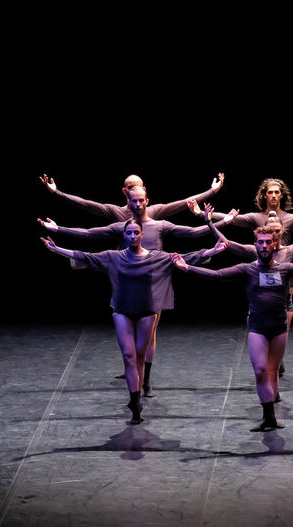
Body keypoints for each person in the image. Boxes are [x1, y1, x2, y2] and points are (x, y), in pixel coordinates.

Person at [38, 186, 237, 395]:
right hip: (127, 275)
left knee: (149, 334)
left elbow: (190, 225)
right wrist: (58, 228)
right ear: (127, 196)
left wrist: (221, 219)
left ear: (147, 199)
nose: (138, 204)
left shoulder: (160, 223)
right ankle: (134, 369)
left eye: (141, 200)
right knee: (130, 335)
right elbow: (89, 231)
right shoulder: (119, 222)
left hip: (156, 278)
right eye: (133, 200)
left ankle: (146, 379)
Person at [172, 226, 293, 432]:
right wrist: (187, 268)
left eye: (268, 242)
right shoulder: (247, 269)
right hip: (257, 329)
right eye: (260, 242)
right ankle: (267, 414)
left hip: (279, 328)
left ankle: (270, 418)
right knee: (261, 370)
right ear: (255, 245)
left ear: (274, 244)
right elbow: (217, 275)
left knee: (272, 371)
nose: (264, 245)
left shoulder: (285, 269)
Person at [40, 219, 226, 424]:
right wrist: (56, 249)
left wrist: (213, 251)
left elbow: (185, 258)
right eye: (128, 233)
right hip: (122, 312)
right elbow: (86, 257)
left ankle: (139, 392)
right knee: (128, 356)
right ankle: (135, 403)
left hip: (147, 312)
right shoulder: (113, 257)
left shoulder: (156, 257)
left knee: (139, 356)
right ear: (124, 235)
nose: (132, 236)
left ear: (142, 234)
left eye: (136, 233)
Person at [191, 195, 293, 380]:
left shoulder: (290, 251)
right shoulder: (257, 250)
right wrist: (210, 224)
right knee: (263, 347)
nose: (273, 235)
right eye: (270, 231)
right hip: (260, 304)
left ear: (282, 232)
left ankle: (276, 367)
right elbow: (228, 244)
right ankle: (270, 375)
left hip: (284, 303)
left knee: (279, 339)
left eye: (277, 231)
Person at [39, 172, 225, 222]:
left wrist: (212, 191)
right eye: (130, 188)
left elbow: (183, 203)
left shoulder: (154, 211)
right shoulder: (115, 212)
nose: (134, 190)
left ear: (144, 191)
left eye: (137, 188)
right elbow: (86, 204)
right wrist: (57, 192)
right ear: (124, 191)